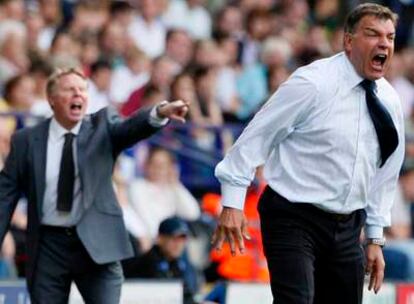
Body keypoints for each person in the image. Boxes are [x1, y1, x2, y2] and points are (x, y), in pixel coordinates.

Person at [212, 3, 405, 304]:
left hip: (347, 224)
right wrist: (233, 202)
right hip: (293, 215)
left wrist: (376, 236)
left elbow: (385, 172)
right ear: (349, 41)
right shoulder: (313, 82)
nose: (383, 43)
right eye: (373, 34)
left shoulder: (390, 100)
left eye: (390, 37)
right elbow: (256, 136)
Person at [0, 67, 189, 303]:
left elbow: (130, 127)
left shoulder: (104, 125)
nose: (78, 94)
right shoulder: (26, 140)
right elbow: (4, 197)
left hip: (97, 244)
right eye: (69, 89)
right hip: (48, 248)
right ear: (51, 99)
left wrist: (160, 112)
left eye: (82, 89)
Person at [122, 216, 198, 304]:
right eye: (174, 239)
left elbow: (186, 293)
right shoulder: (149, 262)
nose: (178, 245)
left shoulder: (177, 263)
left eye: (182, 240)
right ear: (160, 239)